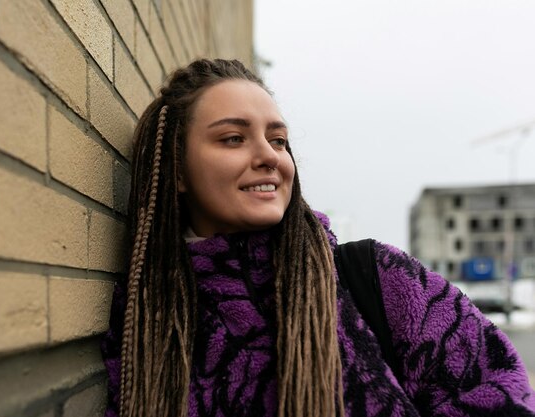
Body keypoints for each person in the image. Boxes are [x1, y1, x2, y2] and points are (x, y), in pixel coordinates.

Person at [101, 58, 535, 417]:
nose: (269, 156)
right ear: (176, 169)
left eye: (278, 139)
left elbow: (500, 389)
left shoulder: (376, 278)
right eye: (234, 138)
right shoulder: (147, 316)